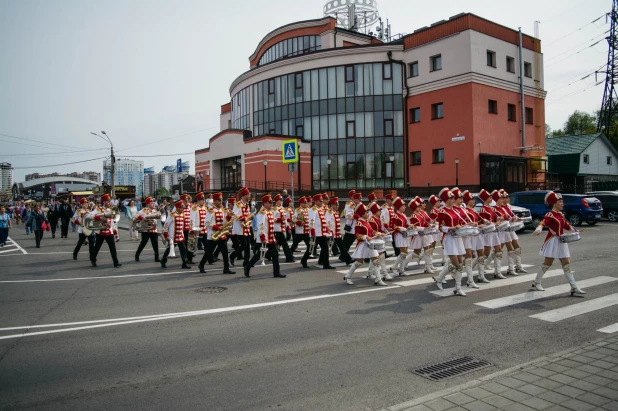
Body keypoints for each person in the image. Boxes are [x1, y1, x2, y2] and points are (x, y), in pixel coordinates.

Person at [532, 192, 586, 295]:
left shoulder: (560, 214)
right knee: (548, 263)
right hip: (552, 241)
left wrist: (575, 230)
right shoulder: (550, 214)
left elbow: (567, 225)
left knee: (566, 263)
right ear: (554, 203)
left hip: (562, 240)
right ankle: (537, 282)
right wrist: (538, 229)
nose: (562, 203)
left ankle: (574, 287)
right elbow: (543, 222)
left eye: (562, 202)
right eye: (560, 202)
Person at [432, 188, 467, 296]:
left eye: (453, 198)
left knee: (460, 263)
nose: (453, 199)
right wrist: (452, 228)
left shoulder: (455, 210)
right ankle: (443, 280)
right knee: (456, 264)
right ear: (446, 199)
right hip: (449, 238)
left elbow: (460, 222)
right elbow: (441, 228)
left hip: (458, 237)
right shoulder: (442, 211)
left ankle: (457, 287)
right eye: (451, 198)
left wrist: (464, 225)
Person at [343, 202, 386, 286]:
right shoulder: (359, 223)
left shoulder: (367, 222)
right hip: (363, 245)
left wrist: (378, 234)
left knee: (376, 260)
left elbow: (372, 232)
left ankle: (378, 279)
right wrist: (365, 237)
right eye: (366, 212)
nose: (368, 213)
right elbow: (357, 235)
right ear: (362, 214)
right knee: (359, 262)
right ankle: (348, 276)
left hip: (370, 244)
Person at [244, 194, 286, 279]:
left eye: (271, 202)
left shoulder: (269, 211)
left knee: (275, 255)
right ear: (265, 203)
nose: (271, 204)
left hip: (271, 237)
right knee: (259, 255)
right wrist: (263, 237)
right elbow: (261, 226)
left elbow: (271, 223)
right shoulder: (262, 213)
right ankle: (247, 267)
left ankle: (276, 272)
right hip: (264, 238)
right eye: (269, 203)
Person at [199, 192, 235, 274]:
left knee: (225, 253)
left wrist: (229, 217)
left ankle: (226, 269)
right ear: (214, 201)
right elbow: (206, 223)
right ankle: (201, 265)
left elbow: (224, 221)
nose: (220, 201)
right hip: (213, 235)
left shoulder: (222, 210)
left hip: (221, 235)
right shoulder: (211, 211)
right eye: (219, 200)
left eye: (221, 200)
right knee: (208, 253)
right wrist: (217, 227)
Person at [301, 194, 335, 269]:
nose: (322, 202)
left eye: (322, 201)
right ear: (316, 201)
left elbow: (323, 221)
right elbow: (311, 220)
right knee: (310, 249)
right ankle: (304, 260)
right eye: (320, 201)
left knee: (325, 249)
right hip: (316, 234)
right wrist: (312, 231)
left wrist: (327, 229)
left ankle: (326, 264)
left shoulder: (320, 209)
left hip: (321, 233)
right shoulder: (313, 210)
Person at [479, 189, 506, 279]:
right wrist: (493, 223)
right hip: (487, 233)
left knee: (498, 249)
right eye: (489, 197)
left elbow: (494, 219)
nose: (491, 198)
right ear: (485, 199)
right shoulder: (483, 209)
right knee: (485, 253)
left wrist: (499, 219)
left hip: (494, 232)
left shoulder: (490, 208)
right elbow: (482, 221)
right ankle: (478, 271)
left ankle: (497, 272)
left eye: (491, 197)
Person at [89, 194, 122, 268]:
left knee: (113, 248)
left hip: (109, 231)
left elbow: (113, 221)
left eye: (109, 201)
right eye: (107, 201)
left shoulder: (111, 210)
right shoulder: (98, 209)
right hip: (100, 232)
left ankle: (115, 262)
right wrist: (99, 218)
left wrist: (115, 232)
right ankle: (93, 259)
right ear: (104, 202)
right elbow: (90, 215)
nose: (109, 202)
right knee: (97, 247)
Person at [160, 199, 190, 269]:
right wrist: (165, 234)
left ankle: (184, 263)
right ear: (178, 208)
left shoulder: (183, 215)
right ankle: (163, 261)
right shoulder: (172, 215)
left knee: (183, 250)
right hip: (172, 237)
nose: (183, 209)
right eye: (181, 208)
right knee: (169, 250)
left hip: (180, 236)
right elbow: (166, 225)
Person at [325, 197, 353, 265]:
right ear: (331, 205)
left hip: (337, 233)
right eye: (335, 205)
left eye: (338, 205)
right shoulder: (329, 212)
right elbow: (327, 222)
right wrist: (330, 231)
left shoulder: (335, 212)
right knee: (325, 248)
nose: (337, 206)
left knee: (342, 247)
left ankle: (348, 259)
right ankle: (322, 260)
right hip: (331, 233)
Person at [132, 197, 161, 263]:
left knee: (155, 244)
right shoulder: (144, 210)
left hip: (153, 229)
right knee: (143, 244)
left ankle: (157, 258)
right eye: (151, 202)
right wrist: (141, 217)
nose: (153, 203)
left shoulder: (155, 211)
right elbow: (135, 214)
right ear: (148, 204)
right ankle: (137, 255)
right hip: (146, 230)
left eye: (153, 202)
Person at [231, 187, 253, 267]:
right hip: (240, 228)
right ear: (244, 195)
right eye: (248, 194)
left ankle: (246, 262)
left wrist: (250, 217)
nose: (249, 196)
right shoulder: (238, 204)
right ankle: (232, 256)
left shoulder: (247, 205)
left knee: (248, 246)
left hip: (247, 227)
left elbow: (248, 215)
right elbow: (234, 215)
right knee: (244, 245)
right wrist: (244, 218)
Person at [273, 194, 295, 263]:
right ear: (277, 201)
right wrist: (280, 219)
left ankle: (268, 254)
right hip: (277, 229)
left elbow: (284, 218)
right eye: (280, 200)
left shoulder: (282, 208)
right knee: (284, 243)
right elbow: (272, 219)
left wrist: (287, 225)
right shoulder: (274, 209)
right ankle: (289, 258)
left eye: (282, 200)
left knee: (276, 243)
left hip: (282, 228)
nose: (282, 201)